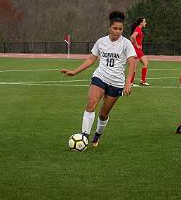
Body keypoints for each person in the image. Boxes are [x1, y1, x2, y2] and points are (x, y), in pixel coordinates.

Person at [61, 11, 136, 147]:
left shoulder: (126, 44)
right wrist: (75, 72)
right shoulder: (101, 42)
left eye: (120, 29)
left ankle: (97, 135)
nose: (118, 31)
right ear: (109, 28)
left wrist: (128, 83)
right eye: (115, 28)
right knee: (91, 104)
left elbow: (132, 63)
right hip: (100, 77)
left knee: (103, 114)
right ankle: (84, 136)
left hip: (117, 83)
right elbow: (91, 58)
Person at [130, 17, 149, 86]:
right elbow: (132, 36)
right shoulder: (138, 28)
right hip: (136, 50)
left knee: (145, 63)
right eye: (144, 22)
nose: (145, 23)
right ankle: (131, 82)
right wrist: (136, 45)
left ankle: (142, 81)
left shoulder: (139, 29)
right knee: (135, 66)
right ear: (141, 23)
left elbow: (131, 37)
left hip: (138, 50)